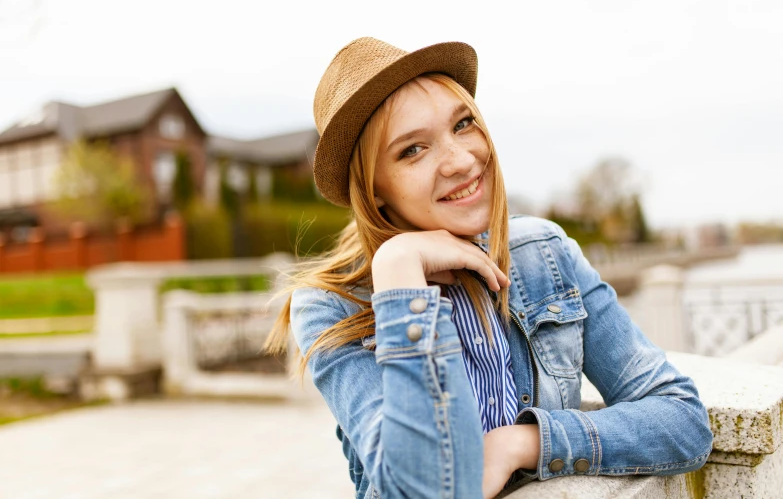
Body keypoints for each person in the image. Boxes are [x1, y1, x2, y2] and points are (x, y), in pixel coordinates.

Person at [265, 37, 713, 499]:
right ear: (373, 189)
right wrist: (400, 275)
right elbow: (426, 491)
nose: (461, 161)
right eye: (412, 150)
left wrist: (522, 443)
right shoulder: (331, 306)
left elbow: (681, 419)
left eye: (463, 124)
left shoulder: (543, 253)